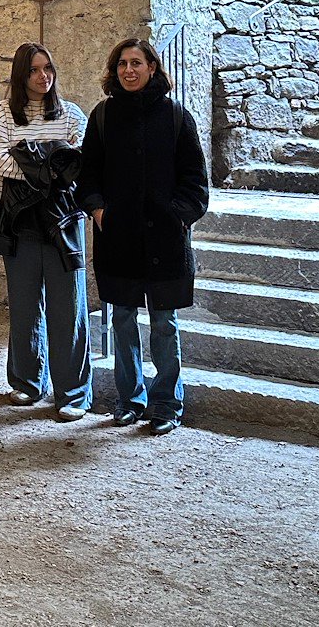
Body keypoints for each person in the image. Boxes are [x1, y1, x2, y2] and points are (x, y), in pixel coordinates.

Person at [78, 38, 209, 435]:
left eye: (137, 63)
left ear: (153, 67)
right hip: (118, 239)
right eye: (122, 64)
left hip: (165, 241)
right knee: (121, 319)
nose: (129, 70)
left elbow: (196, 183)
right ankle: (130, 399)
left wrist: (177, 216)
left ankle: (166, 403)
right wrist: (100, 212)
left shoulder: (175, 117)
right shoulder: (102, 117)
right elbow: (88, 178)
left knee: (164, 323)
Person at [0, 43, 91, 420]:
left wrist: (29, 158)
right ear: (20, 74)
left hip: (63, 221)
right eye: (33, 70)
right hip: (20, 221)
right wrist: (49, 167)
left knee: (69, 309)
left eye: (48, 68)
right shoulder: (1, 114)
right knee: (25, 306)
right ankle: (28, 383)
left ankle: (73, 392)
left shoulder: (72, 114)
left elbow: (77, 161)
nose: (42, 76)